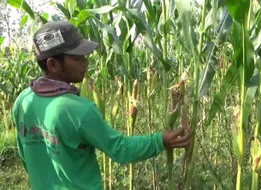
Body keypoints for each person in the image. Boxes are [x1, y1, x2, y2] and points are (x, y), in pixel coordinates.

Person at [12, 21, 191, 190]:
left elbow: (25, 156)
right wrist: (161, 140)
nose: (85, 61)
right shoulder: (78, 110)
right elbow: (120, 149)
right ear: (53, 64)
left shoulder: (23, 101)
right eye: (77, 57)